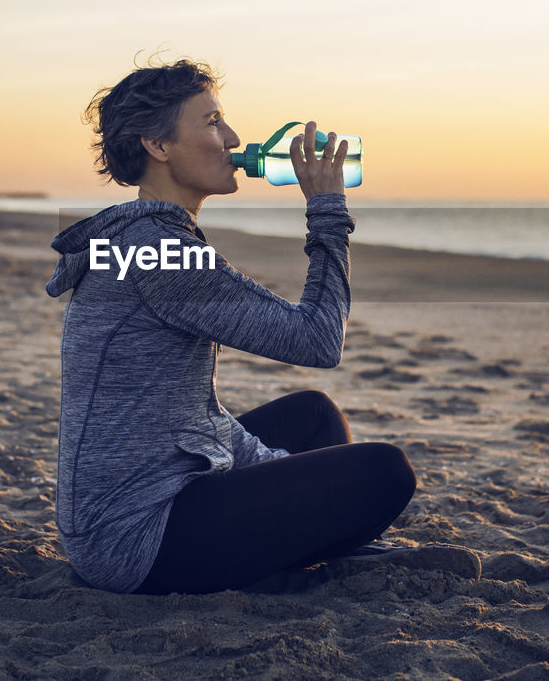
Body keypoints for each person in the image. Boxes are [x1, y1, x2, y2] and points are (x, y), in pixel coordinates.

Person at [45, 59, 416, 594]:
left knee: (314, 416)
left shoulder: (148, 239)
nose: (234, 139)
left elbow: (191, 412)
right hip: (134, 536)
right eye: (213, 121)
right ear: (158, 145)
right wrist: (327, 209)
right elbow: (317, 339)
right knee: (386, 472)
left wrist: (271, 466)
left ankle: (315, 544)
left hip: (149, 495)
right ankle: (317, 548)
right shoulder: (158, 252)